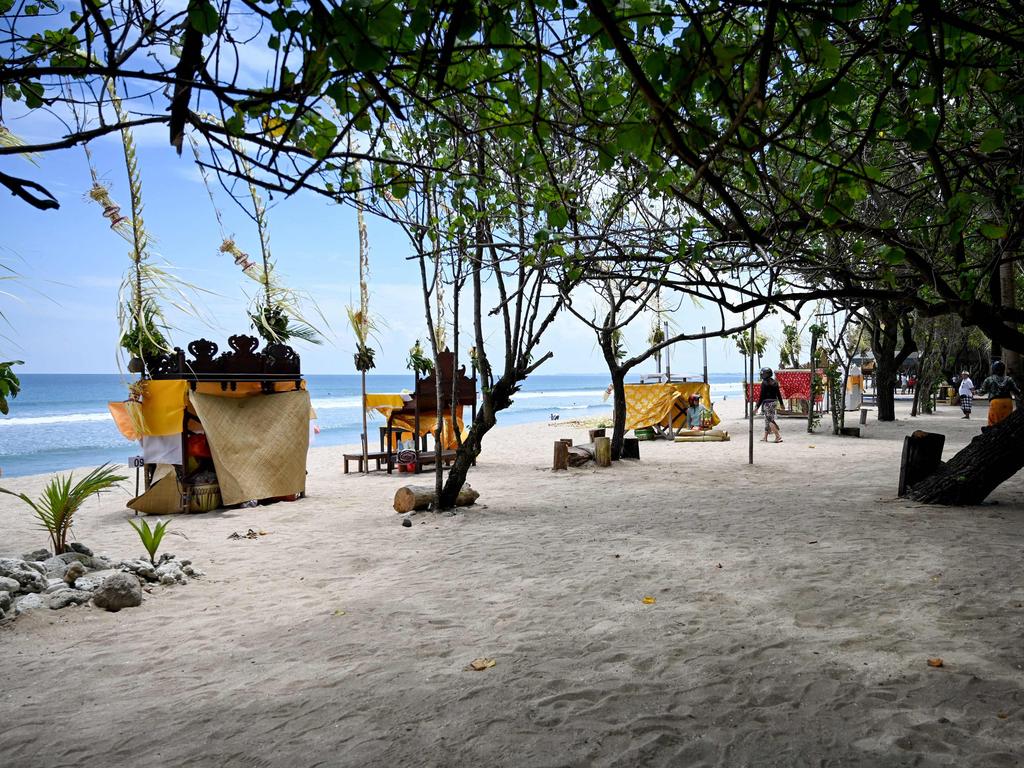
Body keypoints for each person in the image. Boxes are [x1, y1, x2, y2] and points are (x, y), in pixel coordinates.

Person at [977, 360, 1021, 426]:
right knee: (1007, 424)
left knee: (993, 424)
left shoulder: (989, 379)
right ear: (1003, 369)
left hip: (995, 403)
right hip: (1007, 402)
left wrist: (976, 392)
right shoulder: (1009, 379)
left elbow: (982, 392)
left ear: (993, 369)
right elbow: (1017, 391)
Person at [754, 367, 784, 443]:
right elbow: (779, 394)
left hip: (767, 404)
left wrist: (757, 407)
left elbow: (761, 396)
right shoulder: (775, 382)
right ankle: (765, 437)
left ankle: (778, 436)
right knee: (767, 420)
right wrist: (781, 404)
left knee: (770, 420)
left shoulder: (764, 383)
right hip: (774, 403)